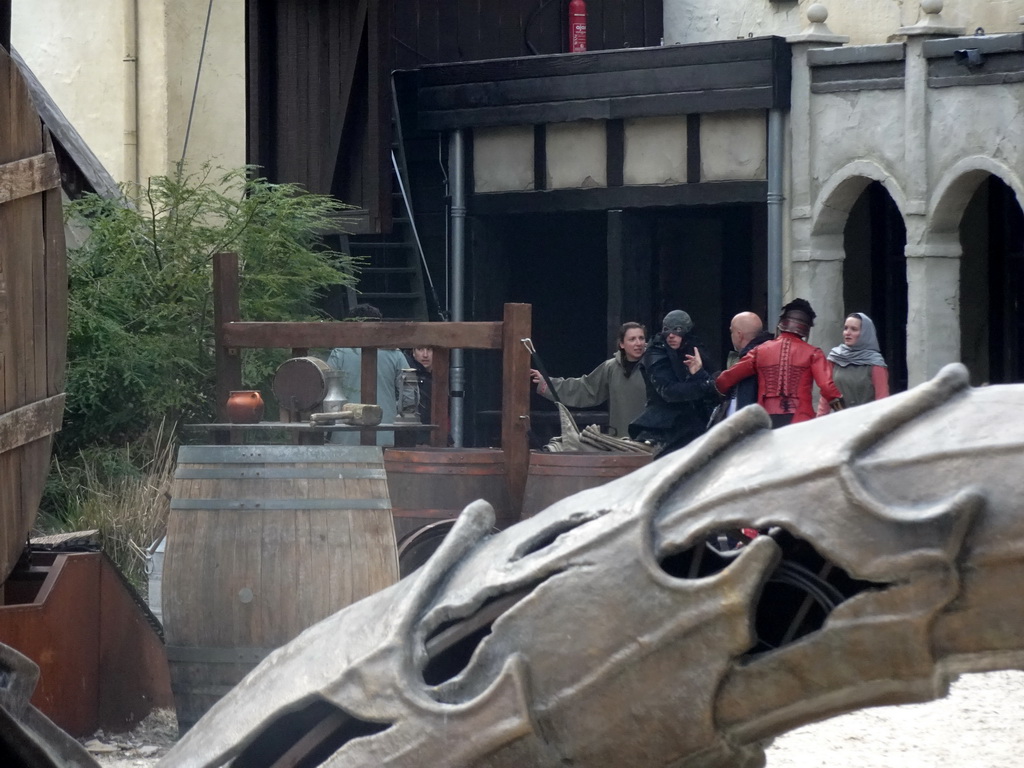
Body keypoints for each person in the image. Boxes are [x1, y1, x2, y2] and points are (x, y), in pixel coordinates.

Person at [715, 298, 843, 428]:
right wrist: (843, 411)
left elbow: (727, 378)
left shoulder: (759, 351)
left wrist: (717, 389)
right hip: (800, 419)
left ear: (782, 323)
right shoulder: (813, 353)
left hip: (766, 418)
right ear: (806, 328)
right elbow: (828, 388)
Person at [530, 322, 648, 438]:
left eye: (641, 338)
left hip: (651, 438)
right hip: (622, 440)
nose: (638, 343)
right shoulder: (611, 368)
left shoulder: (655, 366)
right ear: (622, 344)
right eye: (632, 339)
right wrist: (546, 383)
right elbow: (585, 388)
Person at [628, 310, 720, 455]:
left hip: (695, 425)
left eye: (677, 330)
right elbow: (669, 391)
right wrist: (704, 385)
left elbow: (714, 388)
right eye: (667, 330)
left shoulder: (696, 350)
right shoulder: (656, 353)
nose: (671, 335)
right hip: (664, 428)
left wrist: (700, 375)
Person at [326, 303, 407, 445]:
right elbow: (409, 394)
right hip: (384, 431)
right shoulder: (395, 353)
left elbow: (326, 390)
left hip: (345, 433)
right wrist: (393, 411)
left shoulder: (340, 353)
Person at [816, 312, 890, 415]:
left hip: (866, 422)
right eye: (846, 328)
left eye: (854, 329)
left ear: (865, 333)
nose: (847, 333)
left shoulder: (875, 363)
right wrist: (820, 420)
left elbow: (882, 400)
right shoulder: (835, 357)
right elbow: (826, 395)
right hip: (839, 422)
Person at [718, 311, 774, 420]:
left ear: (739, 335)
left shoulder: (753, 359)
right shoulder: (769, 353)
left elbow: (744, 401)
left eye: (731, 331)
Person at [405, 346, 434, 425]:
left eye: (429, 349)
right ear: (413, 352)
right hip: (414, 428)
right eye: (420, 349)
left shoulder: (442, 376)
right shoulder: (406, 374)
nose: (425, 355)